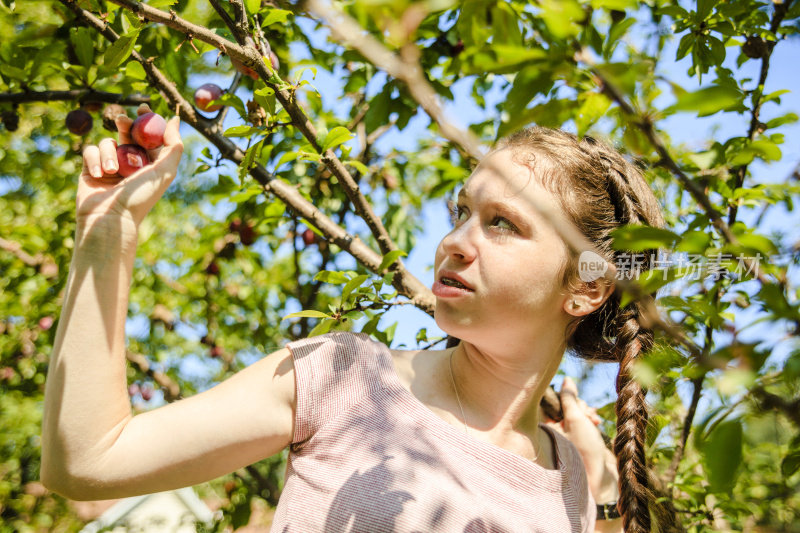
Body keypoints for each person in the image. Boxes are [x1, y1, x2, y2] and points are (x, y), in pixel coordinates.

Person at [41, 104, 664, 533]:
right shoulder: (345, 376)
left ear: (586, 289)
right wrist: (108, 236)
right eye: (464, 212)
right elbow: (88, 461)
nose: (455, 241)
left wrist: (600, 492)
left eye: (503, 224)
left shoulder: (573, 484)